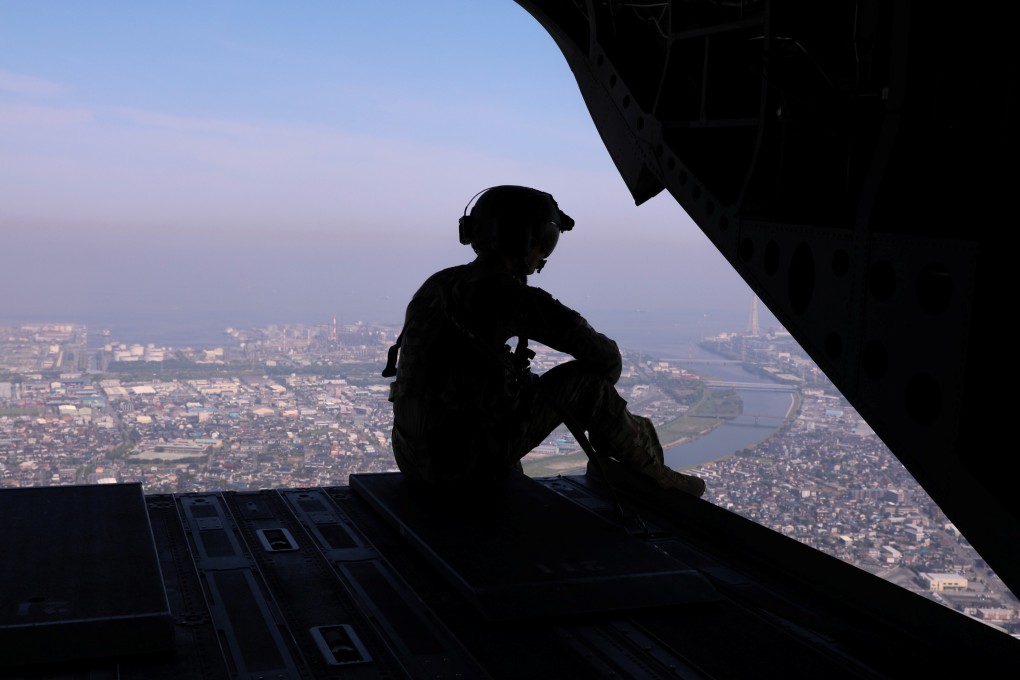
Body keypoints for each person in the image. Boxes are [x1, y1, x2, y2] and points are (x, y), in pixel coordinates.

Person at [382, 185, 705, 498]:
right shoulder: (509, 296)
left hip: (413, 459)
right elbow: (606, 360)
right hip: (458, 465)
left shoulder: (437, 285)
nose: (543, 256)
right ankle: (657, 479)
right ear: (526, 239)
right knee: (587, 383)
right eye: (545, 243)